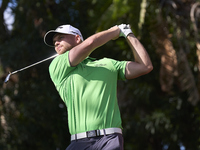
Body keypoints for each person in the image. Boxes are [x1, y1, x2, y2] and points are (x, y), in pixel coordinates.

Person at [44, 24, 153, 150]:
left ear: (77, 38)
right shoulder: (57, 65)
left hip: (111, 139)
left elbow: (145, 66)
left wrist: (128, 33)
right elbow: (90, 43)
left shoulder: (108, 64)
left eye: (61, 37)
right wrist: (114, 32)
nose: (56, 43)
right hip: (79, 142)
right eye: (54, 41)